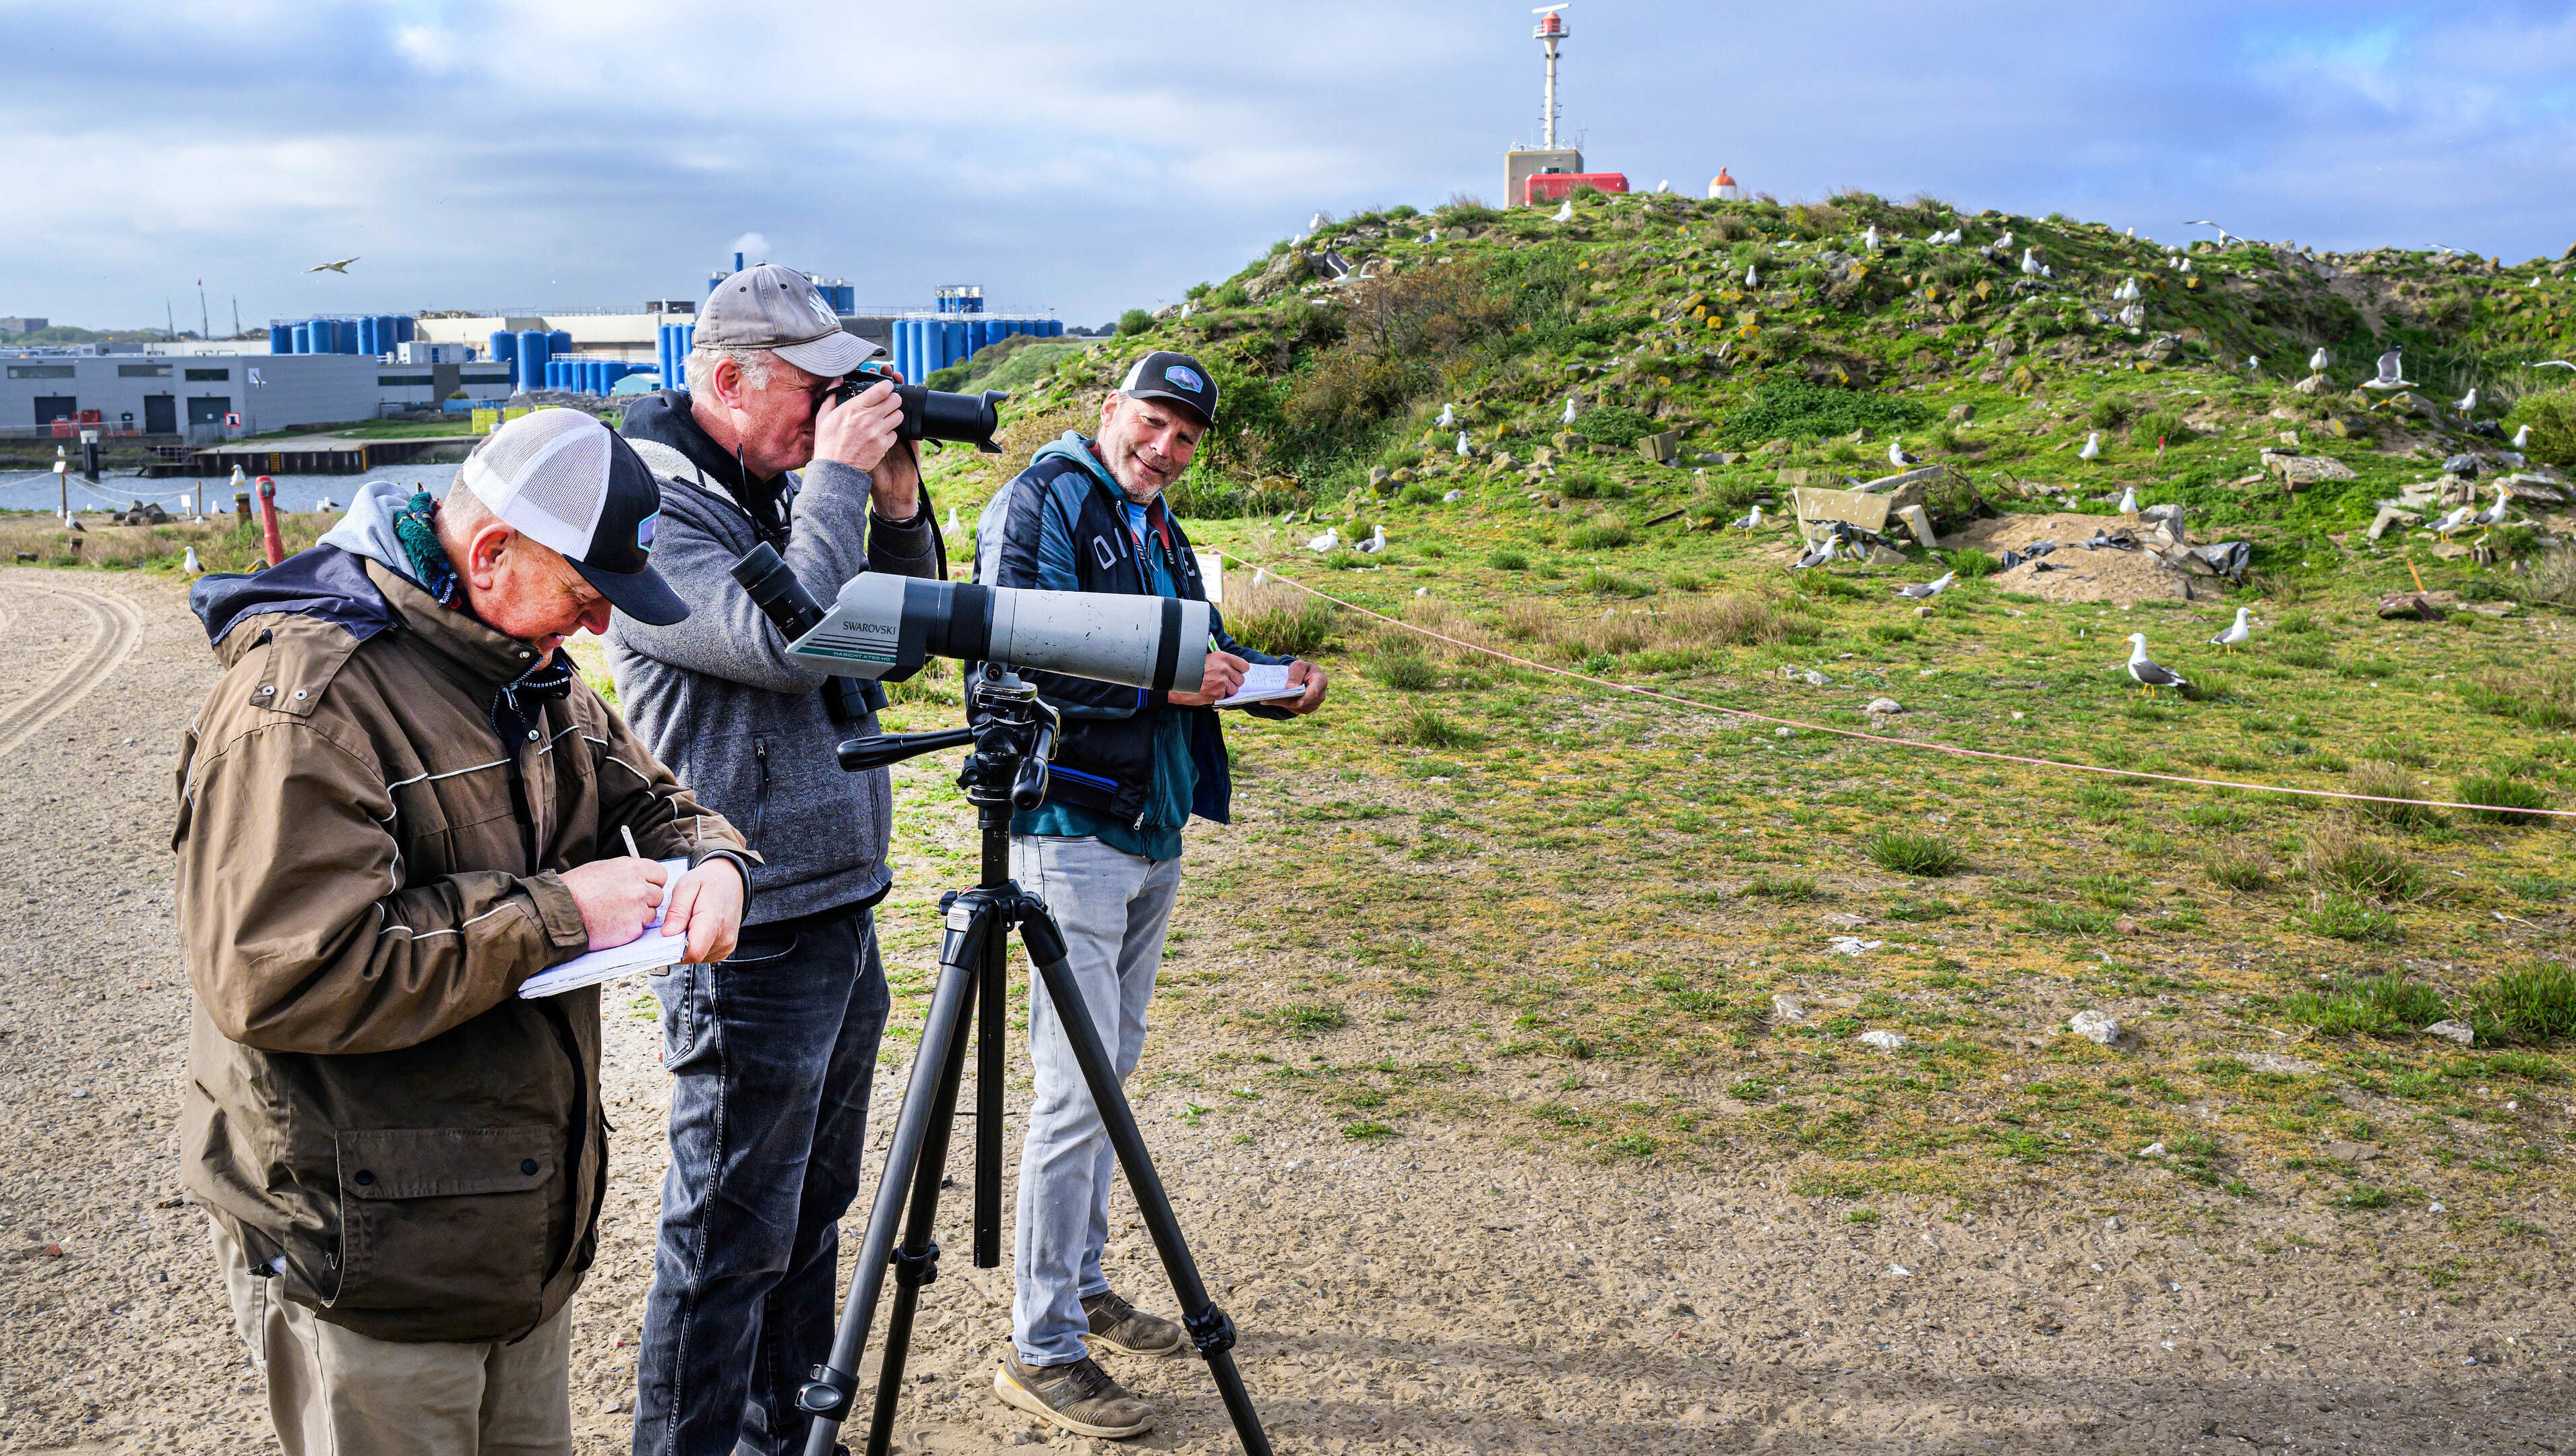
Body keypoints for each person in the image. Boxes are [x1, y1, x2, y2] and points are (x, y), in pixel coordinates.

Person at [175, 407, 752, 1456]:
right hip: (371, 1252)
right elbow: (288, 978)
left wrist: (715, 861)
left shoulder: (521, 662)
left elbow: (654, 795)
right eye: (584, 599)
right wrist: (562, 913)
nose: (592, 633)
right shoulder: (308, 702)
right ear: (490, 550)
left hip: (514, 1235)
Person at [605, 264, 940, 1456]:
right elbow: (792, 645)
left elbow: (897, 643)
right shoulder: (656, 511)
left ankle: (790, 1436)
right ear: (725, 379)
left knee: (812, 1209)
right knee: (727, 1235)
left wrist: (892, 501)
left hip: (839, 902)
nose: (827, 408)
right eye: (812, 387)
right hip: (739, 924)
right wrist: (840, 477)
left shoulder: (776, 489)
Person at [973, 351, 1329, 1439]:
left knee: (1108, 1076)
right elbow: (1011, 652)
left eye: (1184, 436)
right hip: (1066, 828)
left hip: (1150, 825)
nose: (1164, 449)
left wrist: (1269, 679)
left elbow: (1198, 646)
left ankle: (1080, 1286)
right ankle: (1040, 1349)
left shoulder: (1161, 527)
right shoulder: (1039, 500)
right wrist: (1168, 681)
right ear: (1110, 410)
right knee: (1074, 1089)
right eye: (1152, 424)